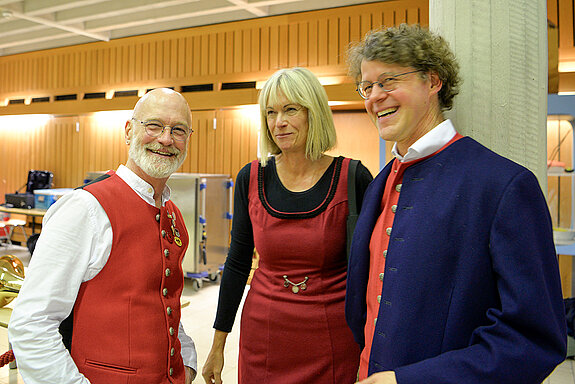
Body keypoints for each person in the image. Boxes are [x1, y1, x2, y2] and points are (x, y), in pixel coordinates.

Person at [344, 23, 567, 384]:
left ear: (433, 82)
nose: (374, 97)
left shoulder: (503, 185)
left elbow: (534, 338)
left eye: (388, 81)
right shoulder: (379, 184)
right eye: (367, 87)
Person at [8, 88, 198, 384]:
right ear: (128, 131)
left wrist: (187, 363)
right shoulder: (85, 208)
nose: (166, 139)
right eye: (154, 125)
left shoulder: (172, 213)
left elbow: (166, 304)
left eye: (178, 130)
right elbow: (31, 324)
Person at [201, 67, 373, 384]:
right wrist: (218, 344)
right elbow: (238, 263)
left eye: (290, 109)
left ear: (313, 113)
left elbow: (374, 271)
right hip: (264, 338)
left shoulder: (353, 178)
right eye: (271, 112)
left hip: (333, 338)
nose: (279, 122)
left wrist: (372, 348)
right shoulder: (251, 178)